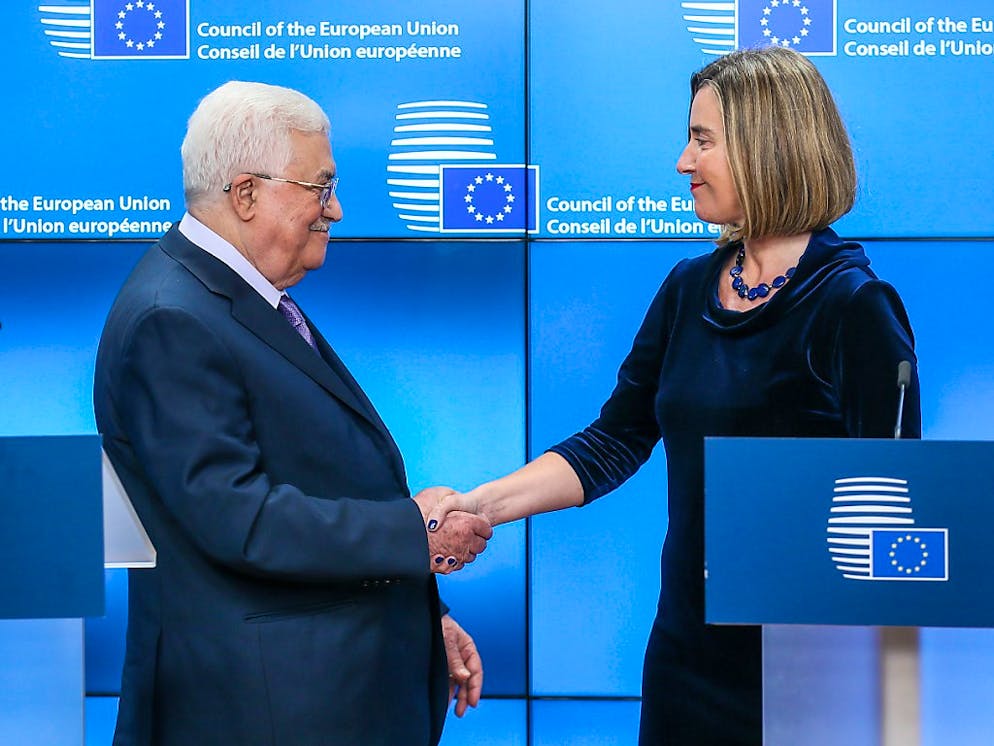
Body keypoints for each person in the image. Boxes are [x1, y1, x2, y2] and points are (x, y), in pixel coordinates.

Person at [424, 46, 921, 745]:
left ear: (767, 146)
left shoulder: (855, 306)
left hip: (809, 675)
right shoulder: (688, 287)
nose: (683, 162)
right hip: (687, 662)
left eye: (702, 140)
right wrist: (480, 506)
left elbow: (895, 509)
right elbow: (615, 439)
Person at [93, 80, 491, 746]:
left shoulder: (235, 299)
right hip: (262, 712)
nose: (335, 209)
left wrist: (426, 614)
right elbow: (239, 519)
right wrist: (412, 533)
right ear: (246, 194)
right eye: (320, 187)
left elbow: (321, 475)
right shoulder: (173, 318)